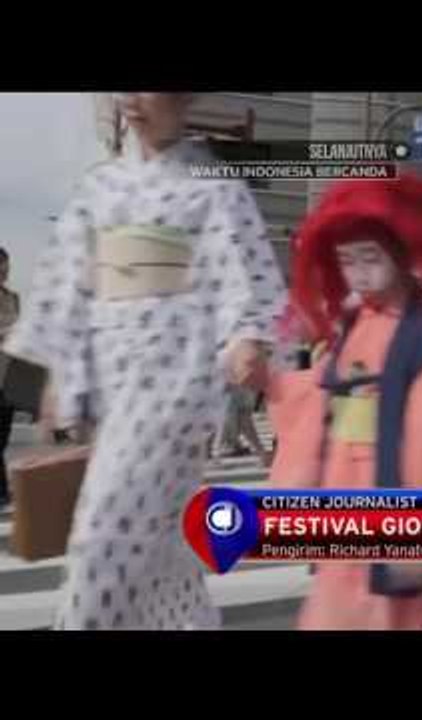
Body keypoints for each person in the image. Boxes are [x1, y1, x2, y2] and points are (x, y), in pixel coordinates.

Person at [2, 93, 286, 629]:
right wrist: (60, 368)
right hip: (114, 381)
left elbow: (243, 271)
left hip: (175, 382)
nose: (132, 99)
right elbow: (70, 283)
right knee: (162, 545)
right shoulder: (98, 188)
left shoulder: (215, 188)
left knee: (102, 537)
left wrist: (247, 333)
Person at [266, 175, 422, 630]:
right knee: (334, 603)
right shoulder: (351, 321)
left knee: (387, 611)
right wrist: (269, 381)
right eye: (346, 261)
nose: (358, 272)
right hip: (342, 482)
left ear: (402, 253)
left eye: (370, 257)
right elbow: (321, 391)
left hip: (391, 485)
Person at [0, 246, 20, 509]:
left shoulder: (14, 298)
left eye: (6, 265)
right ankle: (2, 492)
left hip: (10, 376)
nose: (3, 270)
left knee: (2, 438)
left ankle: (2, 491)